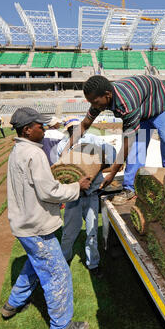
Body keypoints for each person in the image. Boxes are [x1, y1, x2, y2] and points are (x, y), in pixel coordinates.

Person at [1, 107, 91, 329]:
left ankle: (12, 304)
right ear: (28, 130)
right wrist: (75, 187)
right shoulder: (34, 153)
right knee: (57, 274)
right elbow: (48, 191)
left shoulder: (18, 150)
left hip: (24, 224)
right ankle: (61, 326)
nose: (44, 129)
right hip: (35, 227)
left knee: (34, 265)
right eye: (40, 126)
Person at [62, 75, 165, 205]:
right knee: (137, 147)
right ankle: (130, 188)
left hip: (162, 103)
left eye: (95, 102)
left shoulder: (126, 103)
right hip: (143, 110)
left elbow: (126, 144)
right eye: (91, 102)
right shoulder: (99, 99)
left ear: (107, 95)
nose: (93, 106)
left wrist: (112, 173)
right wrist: (66, 149)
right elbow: (84, 125)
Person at [57, 117, 116, 278]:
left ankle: (93, 264)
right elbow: (60, 170)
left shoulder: (93, 140)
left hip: (91, 195)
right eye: (71, 129)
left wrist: (102, 163)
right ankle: (64, 260)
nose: (74, 131)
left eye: (76, 127)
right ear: (67, 130)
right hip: (73, 197)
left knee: (91, 232)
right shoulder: (62, 146)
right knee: (69, 233)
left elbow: (111, 153)